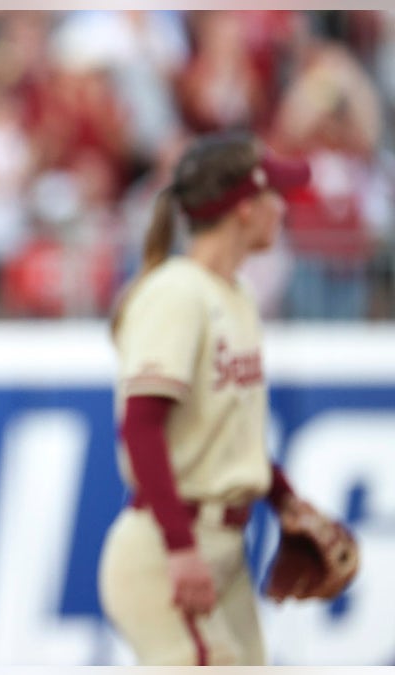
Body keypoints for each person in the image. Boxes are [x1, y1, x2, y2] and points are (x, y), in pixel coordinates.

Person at [97, 130, 337, 665]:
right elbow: (141, 426)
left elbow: (228, 433)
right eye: (274, 196)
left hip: (223, 546)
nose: (283, 209)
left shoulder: (235, 293)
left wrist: (285, 500)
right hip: (170, 542)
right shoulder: (178, 292)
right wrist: (180, 546)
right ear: (244, 209)